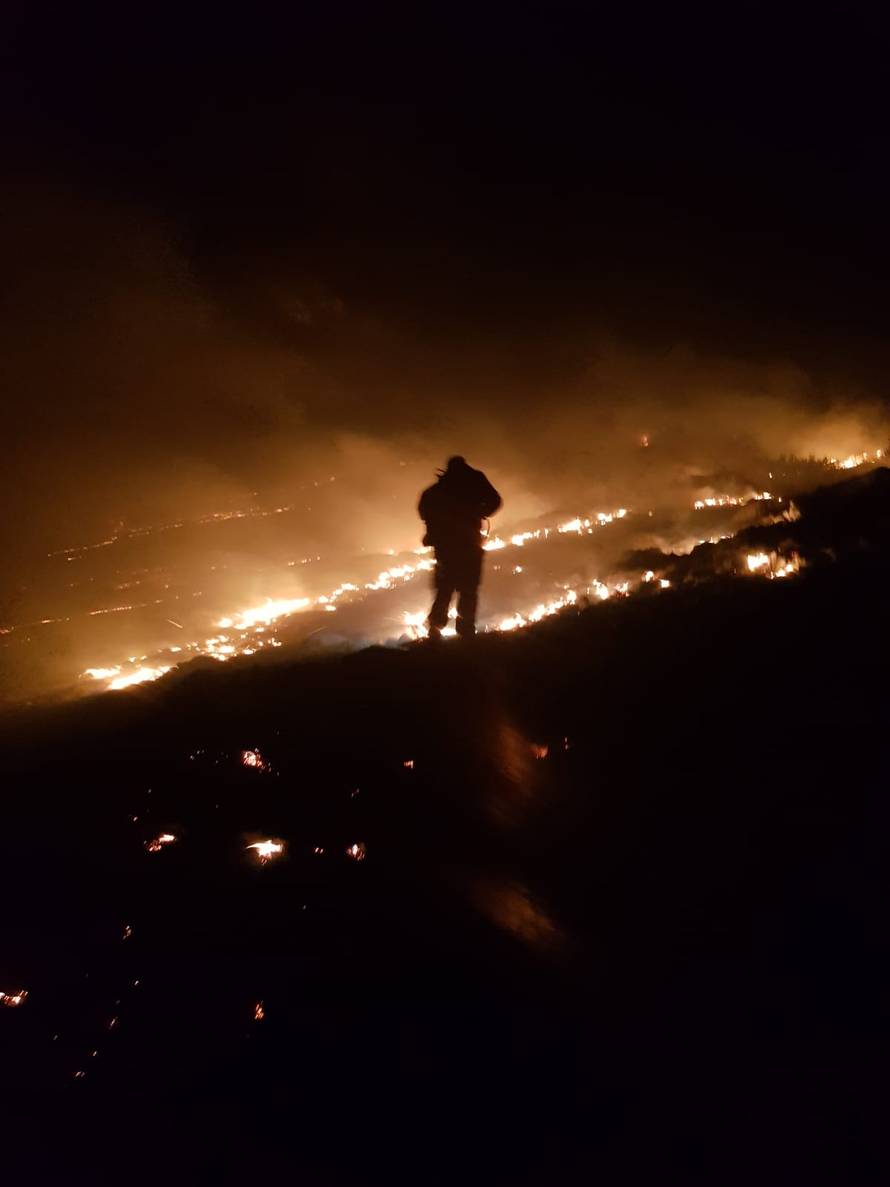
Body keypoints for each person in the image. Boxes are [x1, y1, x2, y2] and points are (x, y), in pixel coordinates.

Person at [418, 456, 502, 639]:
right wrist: (481, 511)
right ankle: (464, 630)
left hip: (447, 546)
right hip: (469, 543)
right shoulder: (474, 480)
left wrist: (433, 526)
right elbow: (495, 501)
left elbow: (423, 507)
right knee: (468, 588)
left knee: (445, 587)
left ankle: (436, 628)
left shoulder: (440, 488)